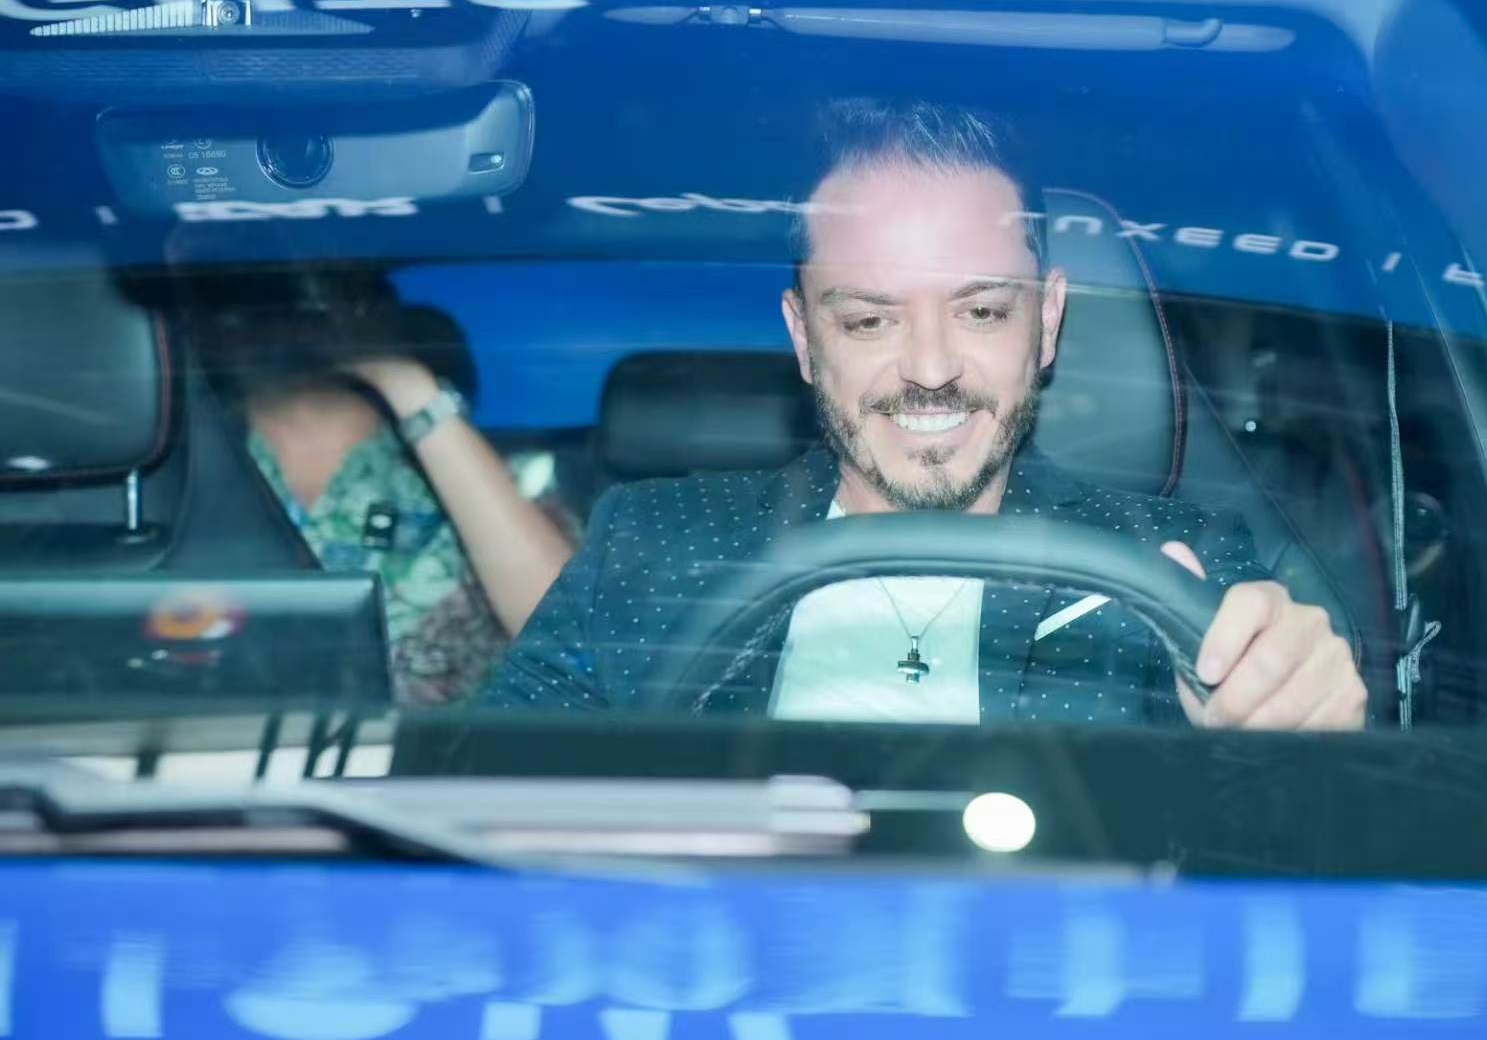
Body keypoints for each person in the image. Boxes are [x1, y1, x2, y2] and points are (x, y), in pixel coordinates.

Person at [490, 99, 1364, 729]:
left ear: (1047, 322)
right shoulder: (651, 545)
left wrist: (1307, 731)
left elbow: (1294, 857)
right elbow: (484, 811)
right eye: (869, 321)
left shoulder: (1179, 565)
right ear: (804, 337)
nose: (932, 369)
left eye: (981, 311)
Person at [189, 269, 577, 705]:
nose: (286, 323)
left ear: (374, 311)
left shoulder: (493, 480)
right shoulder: (166, 478)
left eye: (314, 300)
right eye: (245, 303)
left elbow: (576, 649)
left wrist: (408, 384)